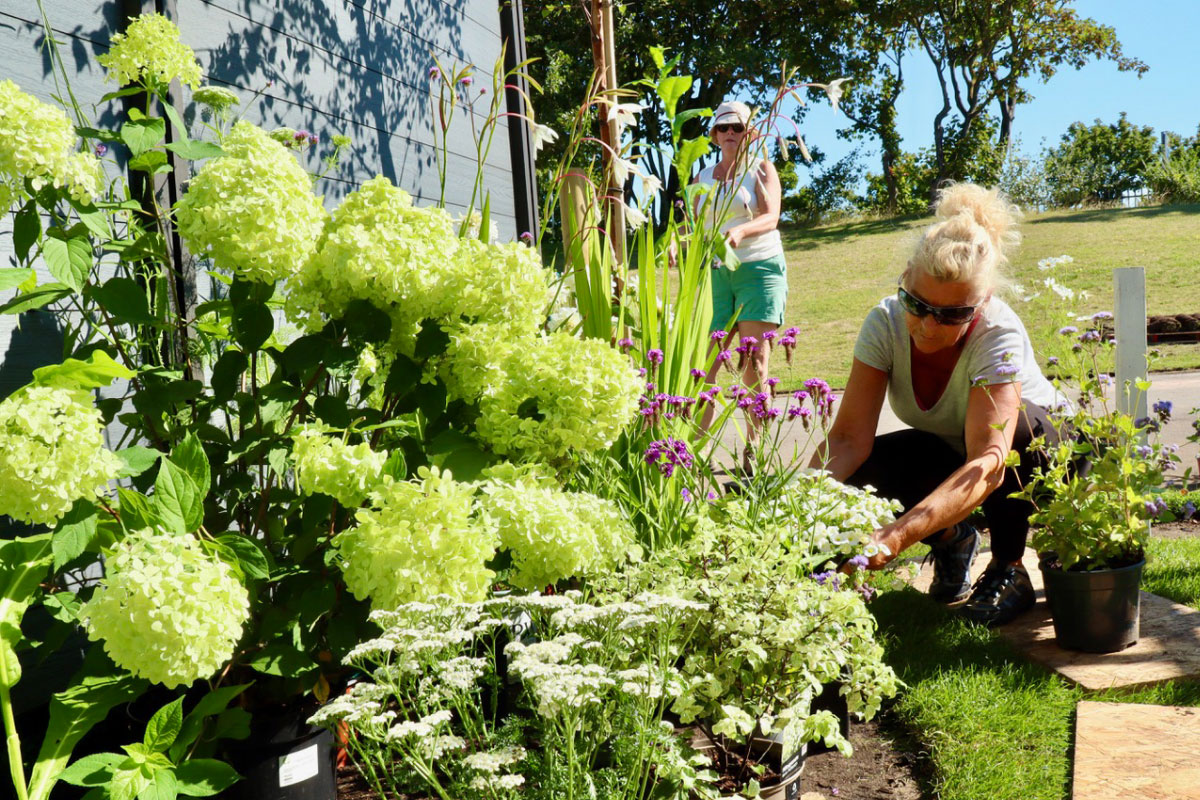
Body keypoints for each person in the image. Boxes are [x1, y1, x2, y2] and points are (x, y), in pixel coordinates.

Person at [812, 183, 1068, 627]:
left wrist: (896, 536)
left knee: (1017, 435)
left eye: (952, 315)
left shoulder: (997, 332)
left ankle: (1008, 567)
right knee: (862, 473)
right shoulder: (885, 322)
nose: (929, 326)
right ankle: (953, 539)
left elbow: (988, 463)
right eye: (917, 304)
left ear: (981, 304)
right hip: (954, 451)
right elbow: (849, 439)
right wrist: (795, 511)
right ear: (906, 279)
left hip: (1048, 461)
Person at [695, 100, 787, 471]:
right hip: (719, 273)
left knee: (754, 361)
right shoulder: (703, 176)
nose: (730, 133)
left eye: (737, 127)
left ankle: (754, 453)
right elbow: (698, 224)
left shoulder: (761, 168)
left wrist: (740, 231)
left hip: (759, 268)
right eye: (724, 128)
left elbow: (771, 217)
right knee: (704, 362)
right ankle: (690, 448)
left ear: (749, 133)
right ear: (715, 135)